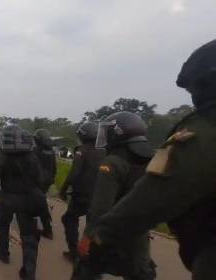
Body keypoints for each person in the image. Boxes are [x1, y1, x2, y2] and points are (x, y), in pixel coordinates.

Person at [78, 39, 216, 280]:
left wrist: (96, 234)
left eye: (195, 90)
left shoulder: (203, 133)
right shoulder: (146, 156)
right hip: (139, 237)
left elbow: (154, 197)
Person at [73, 112, 156, 280]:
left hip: (109, 232)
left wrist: (88, 236)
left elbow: (100, 207)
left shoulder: (113, 162)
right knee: (141, 274)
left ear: (117, 132)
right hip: (138, 233)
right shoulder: (152, 160)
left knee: (85, 270)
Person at [0, 125, 44, 280]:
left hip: (7, 198)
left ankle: (3, 253)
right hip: (28, 199)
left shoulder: (1, 156)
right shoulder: (32, 156)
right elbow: (40, 180)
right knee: (29, 235)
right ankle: (28, 272)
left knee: (0, 224)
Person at [59, 121, 105, 262]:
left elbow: (74, 173)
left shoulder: (81, 150)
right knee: (93, 225)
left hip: (82, 195)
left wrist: (63, 189)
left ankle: (74, 252)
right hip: (100, 196)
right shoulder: (105, 151)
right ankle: (92, 256)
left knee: (69, 218)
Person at [33, 128, 57, 240]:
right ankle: (48, 230)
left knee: (32, 205)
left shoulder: (35, 151)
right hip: (47, 182)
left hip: (36, 182)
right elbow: (54, 169)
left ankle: (33, 230)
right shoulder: (52, 152)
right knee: (42, 203)